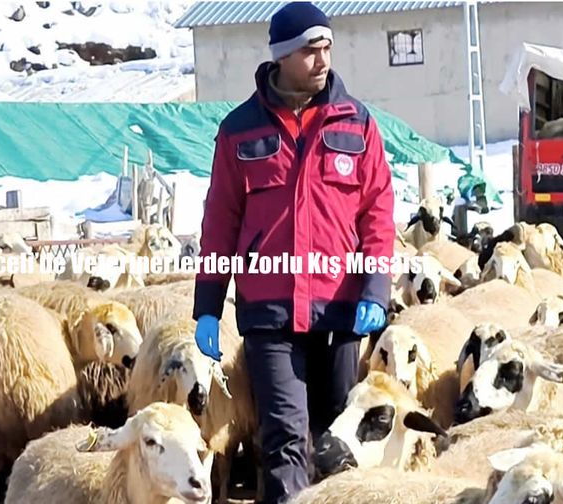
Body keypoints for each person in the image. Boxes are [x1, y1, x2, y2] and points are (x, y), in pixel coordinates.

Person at [191, 2, 395, 503]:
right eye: (309, 49)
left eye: (326, 46)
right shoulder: (240, 130)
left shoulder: (357, 123)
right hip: (269, 313)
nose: (322, 59)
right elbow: (220, 222)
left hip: (341, 307)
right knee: (284, 436)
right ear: (282, 55)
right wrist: (207, 308)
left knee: (333, 439)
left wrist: (375, 288)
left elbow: (377, 214)